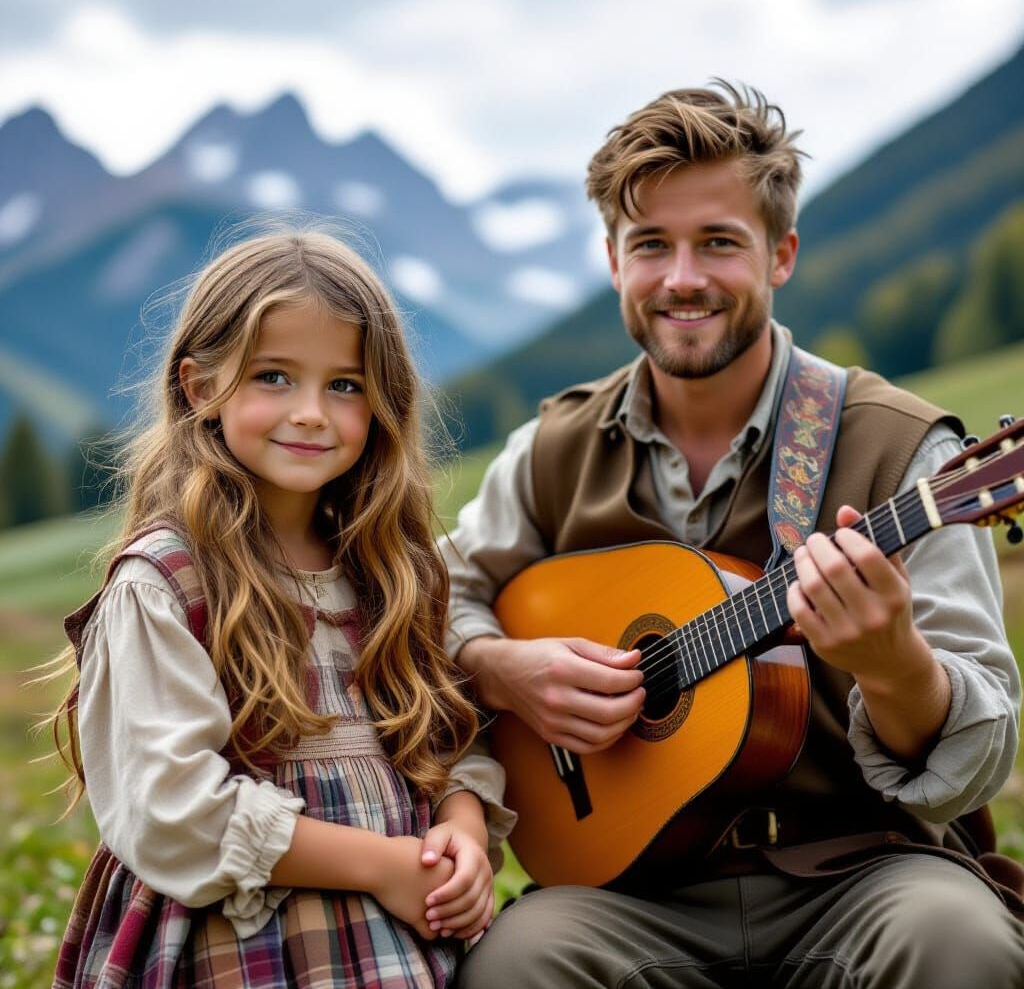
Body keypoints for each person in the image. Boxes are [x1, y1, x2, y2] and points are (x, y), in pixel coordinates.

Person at [442, 83, 1024, 987]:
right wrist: (499, 667)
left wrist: (895, 662)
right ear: (612, 261)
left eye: (718, 242)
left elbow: (981, 759)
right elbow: (437, 594)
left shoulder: (908, 453)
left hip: (864, 871)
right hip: (632, 895)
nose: (683, 278)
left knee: (960, 940)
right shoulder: (550, 451)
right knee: (515, 964)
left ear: (781, 253)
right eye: (651, 246)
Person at [49, 230, 515, 988]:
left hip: (401, 943)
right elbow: (169, 809)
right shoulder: (166, 582)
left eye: (344, 385)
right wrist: (380, 866)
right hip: (235, 945)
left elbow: (451, 738)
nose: (310, 413)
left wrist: (460, 827)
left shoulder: (397, 573)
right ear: (201, 387)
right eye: (274, 377)